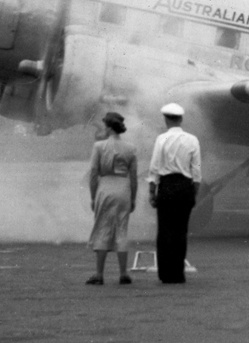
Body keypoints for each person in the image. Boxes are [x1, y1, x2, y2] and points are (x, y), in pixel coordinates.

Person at [147, 102, 201, 284]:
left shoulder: (161, 139)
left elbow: (154, 168)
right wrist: (194, 193)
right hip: (185, 186)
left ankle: (165, 274)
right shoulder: (193, 140)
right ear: (181, 119)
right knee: (180, 231)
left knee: (164, 232)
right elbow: (197, 171)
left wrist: (152, 192)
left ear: (166, 119)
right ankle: (178, 274)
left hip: (167, 185)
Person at [86, 111, 138, 285]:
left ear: (108, 127)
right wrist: (133, 198)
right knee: (121, 230)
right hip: (123, 189)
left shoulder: (99, 146)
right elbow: (134, 176)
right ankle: (123, 273)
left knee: (102, 227)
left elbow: (93, 173)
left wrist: (93, 196)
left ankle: (99, 274)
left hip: (105, 187)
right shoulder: (130, 148)